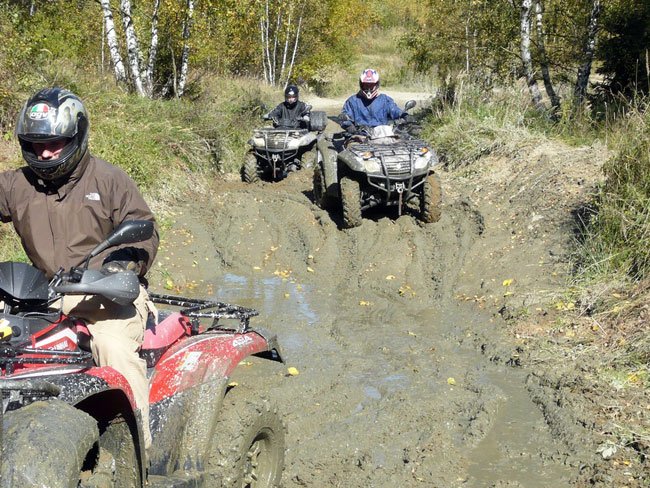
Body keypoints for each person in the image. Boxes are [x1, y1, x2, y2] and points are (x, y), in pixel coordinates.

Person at [0, 87, 159, 451]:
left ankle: (138, 450)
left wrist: (121, 266)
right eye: (36, 144)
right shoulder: (17, 184)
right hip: (45, 294)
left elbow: (144, 229)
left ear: (76, 136)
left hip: (109, 294)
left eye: (54, 144)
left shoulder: (108, 179)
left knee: (112, 347)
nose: (44, 153)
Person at [340, 68, 407, 133]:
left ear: (376, 85)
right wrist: (349, 126)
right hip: (360, 134)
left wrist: (405, 115)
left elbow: (395, 110)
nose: (369, 88)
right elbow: (345, 116)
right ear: (361, 85)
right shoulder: (352, 101)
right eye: (366, 85)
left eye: (371, 85)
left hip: (382, 134)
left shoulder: (385, 100)